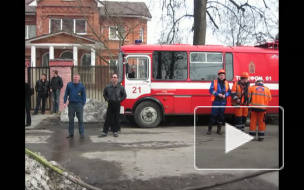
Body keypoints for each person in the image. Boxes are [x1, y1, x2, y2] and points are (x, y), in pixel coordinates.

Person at [99, 73, 127, 138]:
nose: (113, 78)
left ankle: (115, 131)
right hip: (110, 103)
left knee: (116, 117)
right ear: (111, 79)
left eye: (115, 77)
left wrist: (119, 99)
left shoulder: (121, 87)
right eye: (112, 77)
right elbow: (104, 93)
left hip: (117, 104)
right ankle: (105, 131)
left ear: (117, 79)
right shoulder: (108, 87)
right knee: (108, 117)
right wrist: (107, 99)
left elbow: (124, 95)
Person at [207, 69, 231, 135]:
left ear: (224, 76)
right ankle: (209, 130)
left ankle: (219, 130)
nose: (222, 77)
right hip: (216, 100)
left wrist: (225, 95)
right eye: (221, 75)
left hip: (223, 101)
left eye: (223, 75)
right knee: (213, 115)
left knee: (221, 115)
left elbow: (229, 91)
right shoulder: (214, 82)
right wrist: (218, 94)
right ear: (218, 75)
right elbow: (211, 90)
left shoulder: (226, 83)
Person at [63, 74, 86, 139]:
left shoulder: (81, 86)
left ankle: (81, 133)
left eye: (77, 77)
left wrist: (83, 103)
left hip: (79, 104)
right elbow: (66, 94)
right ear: (73, 78)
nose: (75, 78)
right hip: (71, 104)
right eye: (74, 77)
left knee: (80, 119)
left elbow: (84, 95)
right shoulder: (69, 85)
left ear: (79, 78)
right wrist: (64, 102)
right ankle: (71, 133)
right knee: (71, 120)